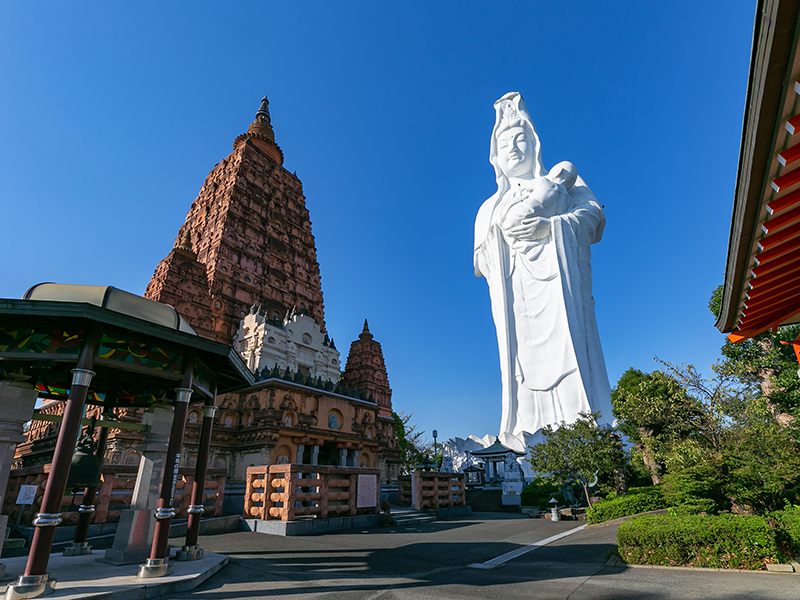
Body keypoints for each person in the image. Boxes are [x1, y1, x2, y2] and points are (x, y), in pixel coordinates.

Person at [474, 92, 613, 452]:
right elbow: (481, 260)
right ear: (496, 159)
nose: (514, 148)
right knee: (520, 365)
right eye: (506, 144)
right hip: (515, 295)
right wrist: (501, 236)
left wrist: (551, 228)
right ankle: (522, 434)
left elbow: (594, 218)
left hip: (559, 285)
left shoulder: (564, 183)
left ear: (535, 145)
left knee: (572, 348)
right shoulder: (489, 207)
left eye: (522, 139)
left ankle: (588, 429)